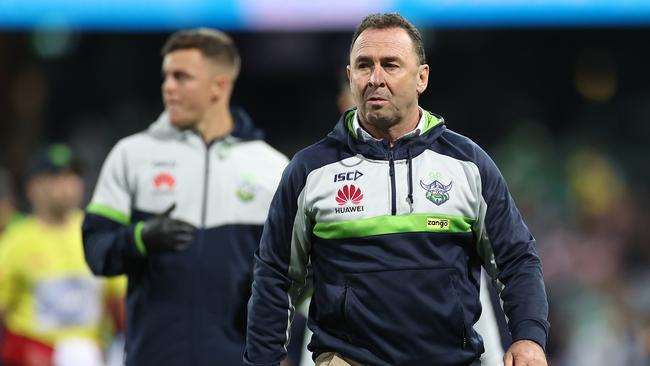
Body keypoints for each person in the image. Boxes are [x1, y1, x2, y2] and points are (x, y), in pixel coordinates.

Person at [245, 13, 549, 366]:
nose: (376, 78)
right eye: (363, 66)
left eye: (390, 65)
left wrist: (529, 337)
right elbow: (275, 276)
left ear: (422, 77)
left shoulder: (468, 165)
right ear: (350, 77)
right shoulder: (310, 171)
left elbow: (516, 260)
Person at [81, 28, 289, 366]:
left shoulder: (272, 168)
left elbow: (298, 275)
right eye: (165, 76)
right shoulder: (132, 155)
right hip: (153, 356)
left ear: (219, 86)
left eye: (182, 77)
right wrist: (139, 238)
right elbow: (95, 249)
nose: (168, 87)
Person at [0, 143, 125, 366]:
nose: (67, 186)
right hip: (34, 353)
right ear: (33, 187)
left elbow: (120, 301)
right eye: (56, 177)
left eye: (73, 177)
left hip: (90, 355)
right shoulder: (14, 241)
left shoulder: (95, 233)